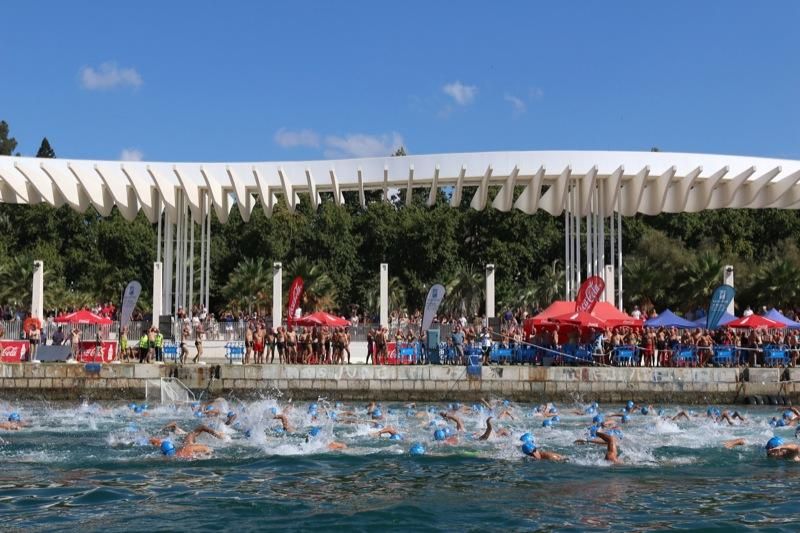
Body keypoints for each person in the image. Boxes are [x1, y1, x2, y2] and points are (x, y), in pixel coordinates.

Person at [149, 424, 224, 459]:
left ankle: (219, 435)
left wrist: (207, 455)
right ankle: (218, 435)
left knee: (198, 429)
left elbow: (207, 449)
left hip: (204, 449)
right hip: (189, 445)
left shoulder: (189, 447)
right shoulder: (179, 450)